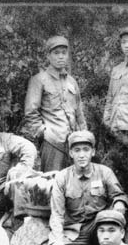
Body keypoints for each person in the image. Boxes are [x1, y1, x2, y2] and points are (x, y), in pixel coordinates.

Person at [48, 130, 128, 245]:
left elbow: (119, 196)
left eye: (86, 149)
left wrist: (118, 207)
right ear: (71, 153)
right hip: (75, 231)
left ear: (93, 152)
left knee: (113, 238)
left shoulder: (104, 172)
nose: (81, 155)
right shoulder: (62, 178)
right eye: (77, 150)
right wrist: (57, 241)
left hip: (99, 226)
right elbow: (57, 214)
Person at [23, 35, 87, 172]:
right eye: (56, 53)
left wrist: (84, 134)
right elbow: (31, 112)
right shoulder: (39, 80)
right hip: (52, 143)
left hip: (74, 141)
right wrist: (43, 133)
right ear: (48, 56)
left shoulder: (71, 81)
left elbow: (79, 111)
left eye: (64, 53)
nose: (61, 57)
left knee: (75, 180)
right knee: (53, 180)